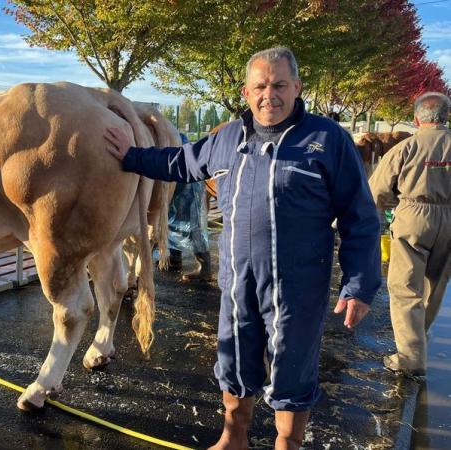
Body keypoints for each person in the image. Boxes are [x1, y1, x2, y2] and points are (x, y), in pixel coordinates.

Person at [104, 47, 381, 450]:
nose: (270, 94)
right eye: (261, 86)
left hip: (297, 287)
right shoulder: (228, 138)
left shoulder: (327, 140)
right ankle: (234, 438)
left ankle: (287, 443)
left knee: (292, 368)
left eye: (280, 84)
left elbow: (361, 216)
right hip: (237, 281)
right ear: (246, 92)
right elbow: (181, 162)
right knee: (233, 359)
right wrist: (130, 155)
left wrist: (359, 285)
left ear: (297, 87)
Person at [369, 92, 451, 377]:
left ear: (417, 119)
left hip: (414, 218)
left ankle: (411, 356)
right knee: (435, 285)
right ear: (445, 117)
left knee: (405, 288)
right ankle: (419, 337)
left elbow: (375, 192)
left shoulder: (407, 148)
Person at [167, 132, 213, 282]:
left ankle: (205, 268)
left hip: (188, 185)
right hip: (179, 181)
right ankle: (174, 258)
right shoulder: (176, 138)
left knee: (192, 226)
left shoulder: (177, 142)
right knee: (172, 221)